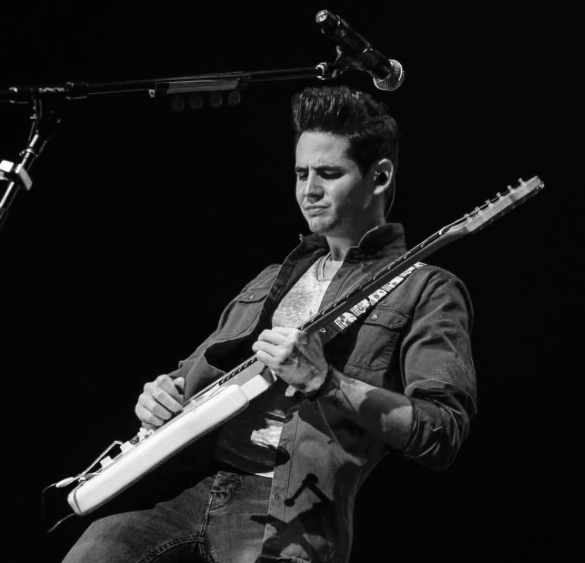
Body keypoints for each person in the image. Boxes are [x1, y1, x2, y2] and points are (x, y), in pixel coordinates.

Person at [62, 85, 477, 563]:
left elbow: (442, 432)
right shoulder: (273, 276)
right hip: (185, 484)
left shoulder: (427, 288)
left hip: (286, 507)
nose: (308, 191)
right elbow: (188, 375)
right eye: (301, 174)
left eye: (328, 173)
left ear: (379, 176)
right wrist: (160, 395)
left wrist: (327, 381)